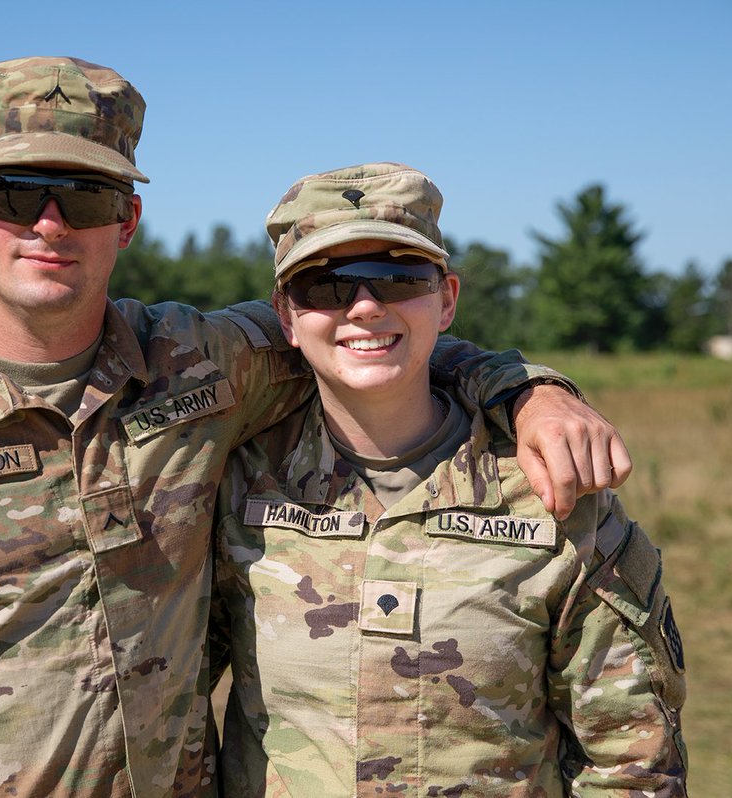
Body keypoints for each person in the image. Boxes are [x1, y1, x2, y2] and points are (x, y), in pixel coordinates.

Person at [0, 59, 630, 798]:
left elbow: (367, 335)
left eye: (89, 197)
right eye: (17, 192)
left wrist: (527, 390)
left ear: (130, 220)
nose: (52, 223)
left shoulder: (201, 365)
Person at [212, 162, 687, 796]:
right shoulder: (238, 487)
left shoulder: (551, 496)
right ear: (287, 317)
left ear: (447, 300)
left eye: (398, 278)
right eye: (324, 286)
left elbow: (633, 764)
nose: (364, 306)